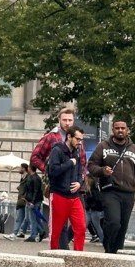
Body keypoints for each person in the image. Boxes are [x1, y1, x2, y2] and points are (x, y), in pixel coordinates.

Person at [88, 117, 135, 254]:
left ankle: (118, 253)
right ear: (113, 130)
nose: (120, 130)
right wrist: (102, 171)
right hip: (110, 191)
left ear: (127, 130)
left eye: (123, 128)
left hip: (128, 193)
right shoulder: (103, 146)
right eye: (117, 128)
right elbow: (91, 166)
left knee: (122, 227)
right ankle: (109, 250)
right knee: (114, 222)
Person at [30, 105, 86, 247]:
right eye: (64, 120)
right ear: (59, 120)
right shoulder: (51, 137)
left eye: (70, 120)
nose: (67, 123)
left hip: (75, 187)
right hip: (57, 186)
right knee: (59, 225)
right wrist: (48, 170)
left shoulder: (78, 138)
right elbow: (35, 157)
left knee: (80, 223)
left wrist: (81, 181)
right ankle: (62, 249)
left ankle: (67, 247)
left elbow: (83, 163)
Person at [47, 126, 87, 251]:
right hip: (59, 194)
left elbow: (81, 171)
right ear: (69, 136)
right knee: (56, 230)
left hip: (74, 196)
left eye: (81, 139)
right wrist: (69, 163)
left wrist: (80, 183)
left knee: (81, 227)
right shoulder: (57, 150)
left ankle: (78, 256)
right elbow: (53, 171)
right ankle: (53, 254)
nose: (79, 142)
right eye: (77, 139)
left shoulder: (77, 152)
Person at [4, 163, 29, 240]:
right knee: (24, 218)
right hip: (22, 200)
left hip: (24, 200)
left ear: (24, 168)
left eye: (20, 168)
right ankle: (21, 232)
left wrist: (24, 197)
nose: (19, 169)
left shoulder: (28, 178)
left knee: (23, 218)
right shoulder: (23, 178)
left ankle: (15, 233)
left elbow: (28, 188)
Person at [23, 164, 45, 243]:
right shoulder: (31, 177)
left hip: (34, 201)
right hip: (30, 200)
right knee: (33, 219)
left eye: (28, 167)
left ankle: (33, 235)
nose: (27, 168)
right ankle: (41, 232)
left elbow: (36, 191)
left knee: (32, 219)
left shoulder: (36, 178)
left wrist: (32, 201)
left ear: (30, 168)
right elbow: (28, 189)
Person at [85, 175, 104, 244]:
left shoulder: (93, 191)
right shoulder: (92, 190)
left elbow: (97, 200)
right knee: (86, 224)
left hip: (94, 210)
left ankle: (103, 240)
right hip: (91, 210)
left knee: (97, 226)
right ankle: (102, 240)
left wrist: (90, 205)